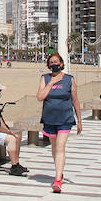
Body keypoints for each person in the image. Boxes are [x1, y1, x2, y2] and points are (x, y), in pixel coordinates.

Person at [35, 52, 82, 190]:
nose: (54, 64)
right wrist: (51, 84)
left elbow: (75, 100)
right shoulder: (45, 78)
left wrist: (79, 120)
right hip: (50, 118)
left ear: (62, 64)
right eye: (52, 62)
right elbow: (40, 96)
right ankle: (59, 172)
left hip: (65, 118)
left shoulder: (69, 79)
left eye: (57, 62)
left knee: (61, 146)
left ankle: (57, 180)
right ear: (49, 65)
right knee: (55, 147)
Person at [0, 81, 28, 177]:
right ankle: (14, 167)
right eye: (0, 91)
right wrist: (5, 132)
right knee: (11, 139)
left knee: (16, 136)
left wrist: (9, 131)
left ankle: (16, 163)